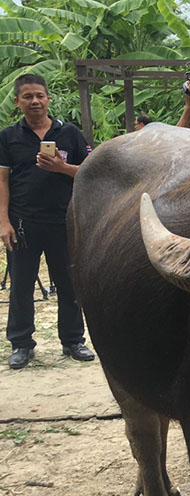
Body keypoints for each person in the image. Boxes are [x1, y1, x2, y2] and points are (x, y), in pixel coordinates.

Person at [0, 74, 95, 369]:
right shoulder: (7, 136)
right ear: (17, 102)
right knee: (21, 286)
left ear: (48, 99)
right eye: (27, 97)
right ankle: (21, 344)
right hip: (23, 223)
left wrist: (61, 167)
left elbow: (88, 172)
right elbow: (2, 180)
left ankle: (73, 340)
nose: (35, 101)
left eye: (39, 95)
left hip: (65, 221)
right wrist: (3, 221)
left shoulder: (69, 133)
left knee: (68, 283)